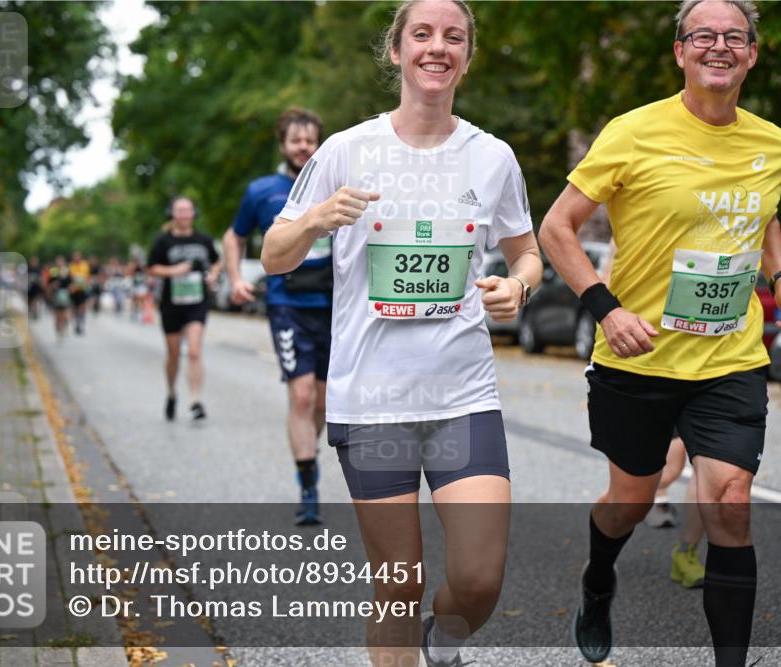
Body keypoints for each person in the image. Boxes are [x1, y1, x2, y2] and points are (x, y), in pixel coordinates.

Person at [262, 2, 543, 665]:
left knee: (479, 578)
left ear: (467, 57)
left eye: (454, 37)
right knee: (397, 580)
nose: (437, 47)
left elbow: (527, 249)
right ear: (396, 51)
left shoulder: (492, 157)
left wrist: (520, 284)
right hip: (373, 399)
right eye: (422, 34)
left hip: (462, 396)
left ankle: (443, 638)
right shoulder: (346, 150)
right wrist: (316, 220)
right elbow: (275, 253)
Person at [539, 1, 781, 664]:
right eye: (703, 35)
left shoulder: (771, 141)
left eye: (733, 37)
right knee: (628, 503)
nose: (718, 46)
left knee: (730, 501)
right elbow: (556, 228)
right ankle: (598, 580)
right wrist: (607, 308)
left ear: (751, 53)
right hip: (639, 356)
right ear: (680, 52)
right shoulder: (633, 133)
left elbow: (765, 216)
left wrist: (780, 280)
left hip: (730, 356)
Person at [224, 107, 330, 526]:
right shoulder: (263, 191)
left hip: (334, 304)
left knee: (323, 400)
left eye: (310, 139)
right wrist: (234, 277)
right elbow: (234, 236)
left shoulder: (336, 184)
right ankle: (308, 486)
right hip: (287, 303)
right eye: (296, 140)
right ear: (283, 144)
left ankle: (308, 451)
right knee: (301, 395)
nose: (304, 146)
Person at [601, 241, 707, 586]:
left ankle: (687, 552)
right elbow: (600, 288)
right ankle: (640, 503)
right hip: (647, 364)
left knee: (714, 472)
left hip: (710, 364)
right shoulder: (632, 232)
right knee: (663, 473)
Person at [147, 196, 222, 422]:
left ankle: (196, 400)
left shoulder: (203, 240)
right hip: (171, 303)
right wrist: (174, 271)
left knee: (194, 351)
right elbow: (151, 268)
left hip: (196, 303)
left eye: (187, 210)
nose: (183, 215)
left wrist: (213, 276)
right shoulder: (163, 241)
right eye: (179, 211)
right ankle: (171, 393)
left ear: (193, 214)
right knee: (173, 354)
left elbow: (216, 261)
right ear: (172, 214)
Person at [46, 256, 73, 339]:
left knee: (65, 313)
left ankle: (65, 325)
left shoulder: (67, 271)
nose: (59, 263)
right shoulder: (53, 271)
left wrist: (69, 291)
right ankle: (58, 331)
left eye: (61, 262)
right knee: (57, 315)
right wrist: (51, 290)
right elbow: (49, 283)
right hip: (56, 295)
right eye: (58, 262)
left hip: (65, 295)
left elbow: (71, 283)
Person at [68, 250, 91, 335]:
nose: (76, 258)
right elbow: (69, 278)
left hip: (82, 289)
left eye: (78, 256)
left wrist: (88, 284)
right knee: (75, 308)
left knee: (82, 306)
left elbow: (88, 277)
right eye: (75, 256)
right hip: (74, 290)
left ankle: (81, 322)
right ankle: (76, 321)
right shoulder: (71, 266)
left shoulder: (85, 265)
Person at [27, 256, 44, 321]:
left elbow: (42, 277)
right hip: (30, 287)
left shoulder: (39, 269)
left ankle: (35, 311)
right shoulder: (28, 269)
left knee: (35, 300)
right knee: (29, 300)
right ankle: (31, 310)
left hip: (37, 287)